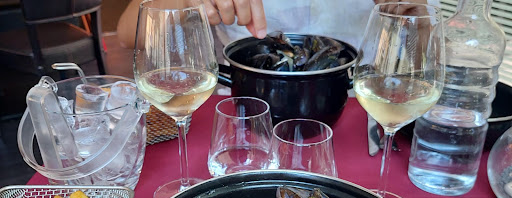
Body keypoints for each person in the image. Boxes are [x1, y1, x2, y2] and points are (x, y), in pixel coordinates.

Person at [117, 0, 438, 53]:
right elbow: (128, 33)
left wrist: (416, 19)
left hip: (362, 114)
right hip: (242, 112)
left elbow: (427, 60)